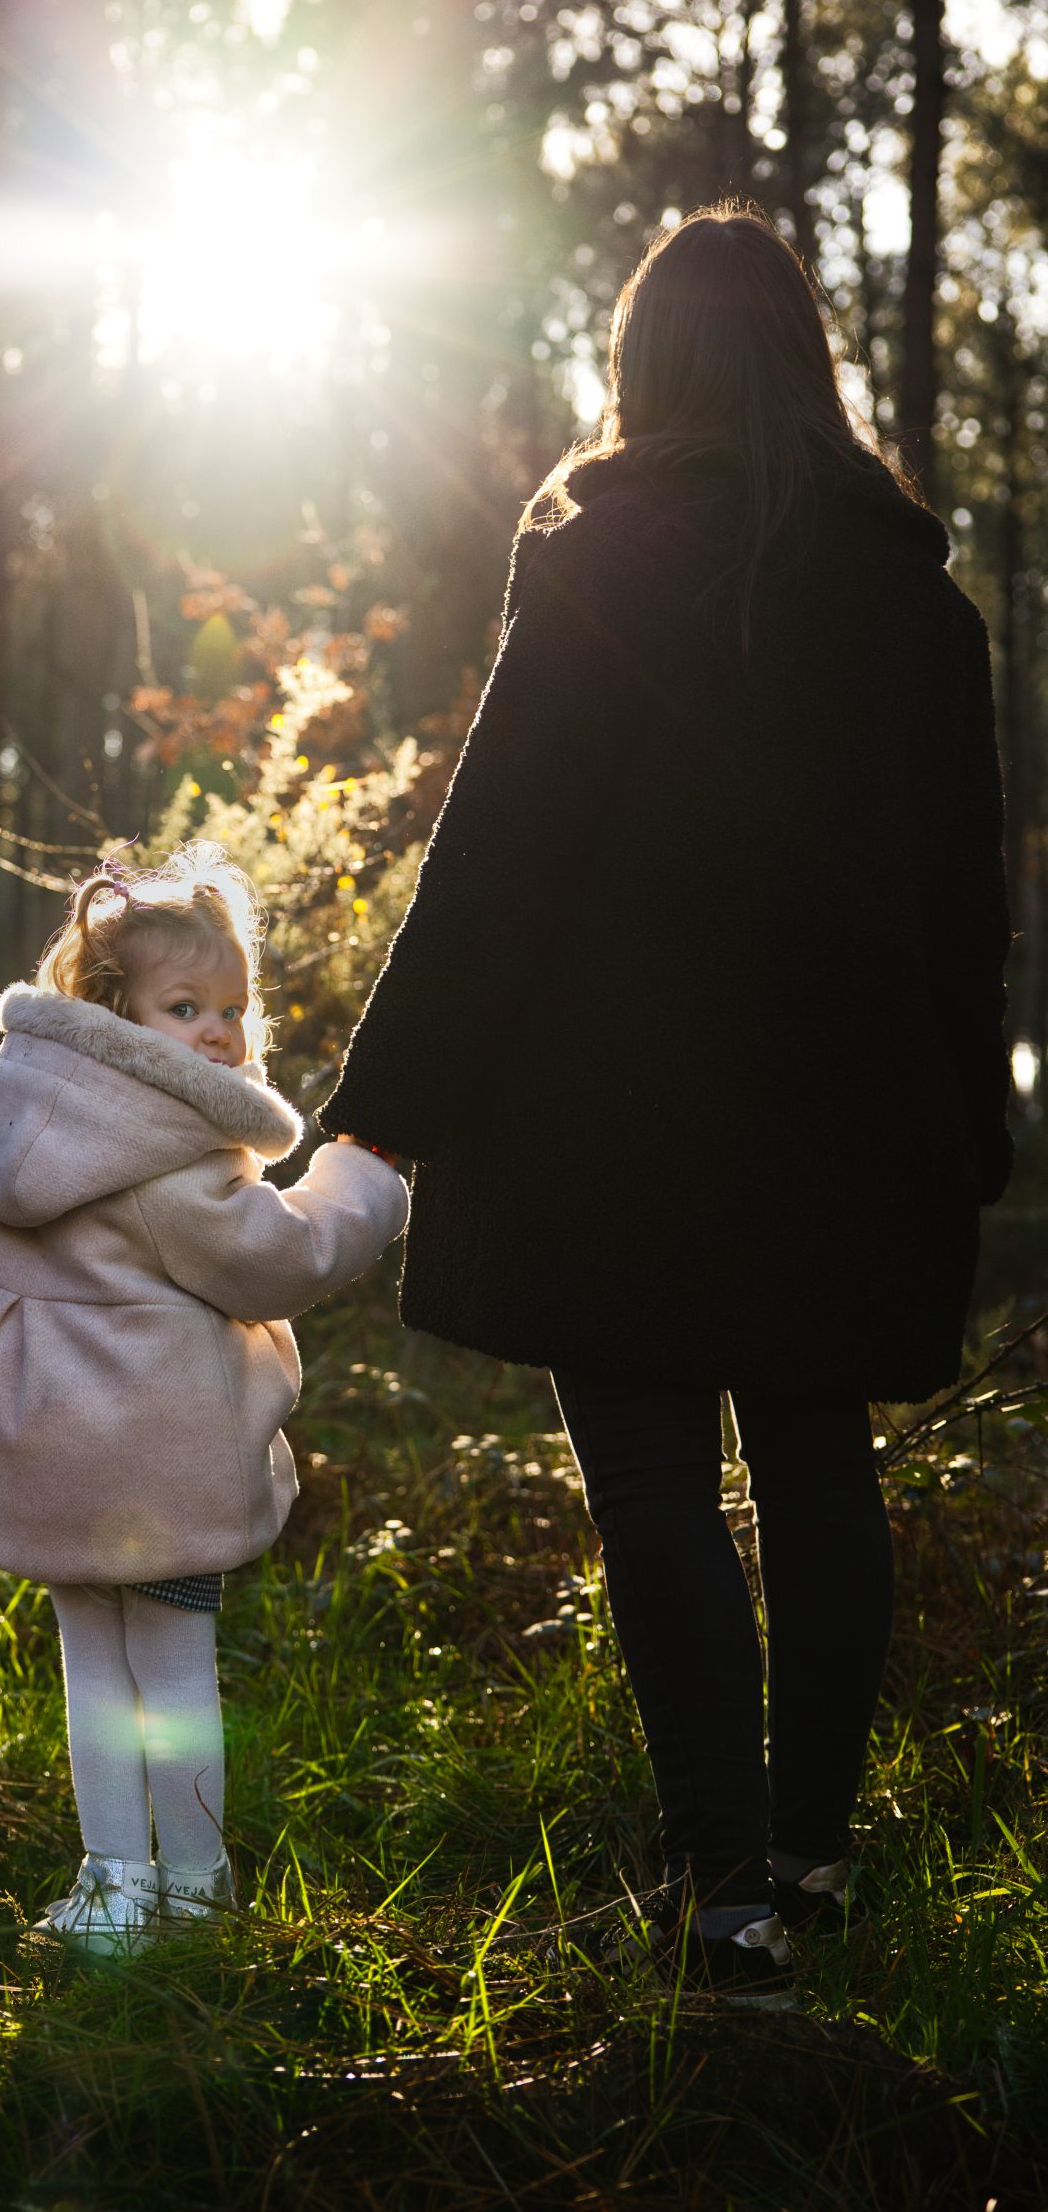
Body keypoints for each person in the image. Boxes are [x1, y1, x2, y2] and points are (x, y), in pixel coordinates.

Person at [321, 205, 1012, 2006]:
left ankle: (724, 1896)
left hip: (607, 1126)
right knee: (818, 1470)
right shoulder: (920, 608)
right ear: (808, 364)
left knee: (650, 1482)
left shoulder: (602, 563)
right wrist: (969, 1126)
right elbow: (970, 904)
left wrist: (383, 1106)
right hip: (849, 1125)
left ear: (641, 368)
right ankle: (810, 1858)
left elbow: (499, 855)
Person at [0, 843, 408, 1954]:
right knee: (172, 1673)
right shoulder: (177, 1158)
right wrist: (363, 1175)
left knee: (94, 1669)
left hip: (49, 1459)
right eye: (184, 1006)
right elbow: (284, 1258)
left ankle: (114, 1885)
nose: (218, 1032)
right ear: (110, 1008)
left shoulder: (13, 1120)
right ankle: (193, 1888)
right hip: (164, 1466)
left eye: (232, 1008)